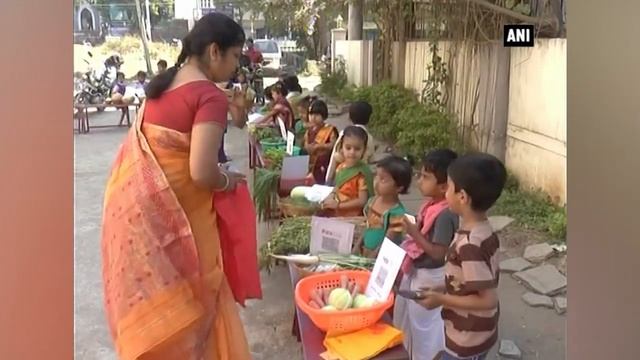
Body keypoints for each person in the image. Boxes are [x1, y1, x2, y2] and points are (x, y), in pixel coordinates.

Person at [100, 13, 255, 360]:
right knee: (198, 298)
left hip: (142, 216)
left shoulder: (162, 84)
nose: (235, 66)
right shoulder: (208, 96)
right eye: (234, 56)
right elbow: (201, 172)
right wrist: (228, 180)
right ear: (215, 51)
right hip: (182, 215)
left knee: (163, 299)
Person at [418, 152, 507, 360]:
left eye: (448, 187)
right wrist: (443, 287)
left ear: (463, 197)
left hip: (468, 337)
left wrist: (441, 298)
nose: (445, 191)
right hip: (476, 331)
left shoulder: (470, 244)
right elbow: (471, 278)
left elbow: (487, 300)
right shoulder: (482, 230)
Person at [393, 149, 459, 360]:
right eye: (419, 175)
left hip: (432, 274)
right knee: (411, 320)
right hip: (419, 269)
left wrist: (414, 233)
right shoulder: (431, 205)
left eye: (425, 177)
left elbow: (439, 253)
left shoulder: (445, 214)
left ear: (444, 186)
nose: (419, 181)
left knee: (426, 328)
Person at [356, 155, 412, 258]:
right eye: (376, 176)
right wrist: (357, 246)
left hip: (379, 257)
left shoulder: (397, 213)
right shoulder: (372, 201)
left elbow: (388, 241)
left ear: (399, 188)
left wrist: (372, 257)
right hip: (365, 252)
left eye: (383, 180)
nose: (376, 182)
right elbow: (367, 227)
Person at [321, 126, 374, 217]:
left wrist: (339, 206)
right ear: (341, 148)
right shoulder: (341, 167)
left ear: (364, 150)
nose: (352, 152)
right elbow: (339, 185)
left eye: (357, 149)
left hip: (353, 216)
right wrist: (331, 195)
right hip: (338, 212)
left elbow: (362, 201)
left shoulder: (361, 174)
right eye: (348, 148)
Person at [325, 101, 375, 184]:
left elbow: (334, 157)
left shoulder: (344, 134)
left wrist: (328, 179)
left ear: (349, 117)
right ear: (369, 118)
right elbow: (371, 159)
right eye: (348, 148)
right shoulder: (369, 137)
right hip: (360, 176)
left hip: (343, 174)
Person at [303, 99, 338, 184]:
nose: (313, 117)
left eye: (317, 114)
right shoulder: (309, 130)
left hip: (324, 163)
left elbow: (333, 145)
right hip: (311, 164)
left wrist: (319, 146)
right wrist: (307, 146)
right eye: (311, 114)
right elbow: (305, 142)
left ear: (324, 115)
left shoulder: (330, 129)